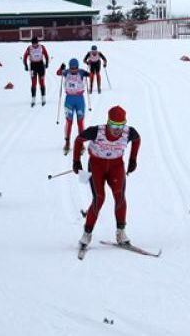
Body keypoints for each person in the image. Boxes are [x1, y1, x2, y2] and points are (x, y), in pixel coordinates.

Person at [72, 105, 141, 248]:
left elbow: (137, 139)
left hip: (116, 166)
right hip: (97, 166)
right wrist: (76, 161)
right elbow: (79, 140)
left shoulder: (128, 133)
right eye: (113, 125)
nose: (117, 130)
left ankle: (121, 232)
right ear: (108, 122)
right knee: (99, 198)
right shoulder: (96, 131)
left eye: (120, 126)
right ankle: (87, 233)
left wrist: (133, 159)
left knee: (119, 196)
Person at [56, 58, 90, 154]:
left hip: (79, 100)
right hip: (69, 100)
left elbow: (90, 75)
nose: (73, 70)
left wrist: (89, 71)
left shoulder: (81, 72)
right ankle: (67, 143)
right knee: (69, 122)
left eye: (75, 68)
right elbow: (58, 73)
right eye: (72, 68)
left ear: (78, 67)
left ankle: (81, 144)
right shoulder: (66, 72)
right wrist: (61, 68)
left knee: (80, 122)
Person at [23, 36, 50, 107]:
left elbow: (46, 55)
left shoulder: (42, 47)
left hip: (40, 65)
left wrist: (47, 63)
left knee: (42, 82)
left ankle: (43, 98)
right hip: (33, 66)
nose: (34, 45)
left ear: (37, 43)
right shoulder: (29, 48)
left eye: (35, 43)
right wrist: (25, 65)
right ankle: (33, 99)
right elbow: (25, 57)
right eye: (33, 43)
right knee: (33, 83)